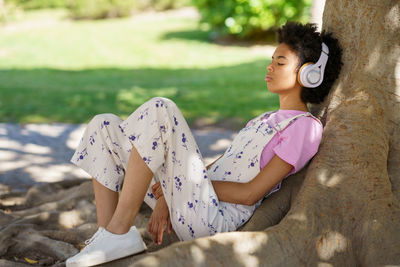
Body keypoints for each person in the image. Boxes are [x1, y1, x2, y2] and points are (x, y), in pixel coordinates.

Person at [66, 21, 343, 266]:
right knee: (104, 126)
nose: (270, 66)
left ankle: (118, 231)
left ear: (310, 74)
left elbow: (250, 193)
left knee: (162, 110)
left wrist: (173, 187)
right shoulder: (265, 118)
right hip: (194, 200)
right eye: (272, 59)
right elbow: (216, 166)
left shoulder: (304, 128)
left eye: (281, 62)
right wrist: (169, 194)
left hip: (213, 219)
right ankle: (108, 235)